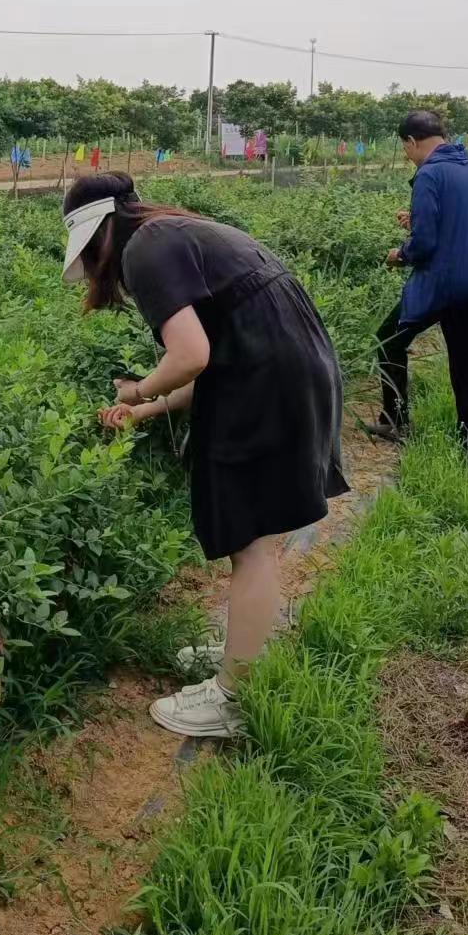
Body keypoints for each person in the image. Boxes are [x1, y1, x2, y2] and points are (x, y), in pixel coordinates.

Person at [61, 173, 348, 738]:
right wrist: (143, 411)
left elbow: (190, 354)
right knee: (257, 542)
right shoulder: (182, 231)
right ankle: (240, 654)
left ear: (96, 235)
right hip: (291, 374)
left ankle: (231, 701)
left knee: (253, 546)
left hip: (271, 385)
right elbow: (216, 358)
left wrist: (138, 388)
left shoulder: (144, 247)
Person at [373, 109, 468, 454]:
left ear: (412, 142)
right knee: (466, 367)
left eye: (406, 149)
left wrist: (399, 254)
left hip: (447, 284)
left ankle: (394, 421)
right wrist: (416, 219)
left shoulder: (430, 174)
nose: (407, 156)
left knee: (387, 339)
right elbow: (464, 220)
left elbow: (426, 244)